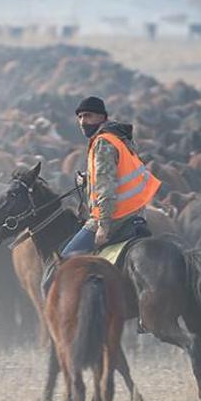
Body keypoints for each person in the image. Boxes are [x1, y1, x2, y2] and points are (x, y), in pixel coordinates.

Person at [41, 96, 161, 320]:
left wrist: (103, 225)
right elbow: (117, 175)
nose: (83, 121)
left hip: (112, 218)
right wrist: (88, 180)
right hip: (135, 213)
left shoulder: (102, 143)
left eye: (88, 116)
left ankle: (71, 320)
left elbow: (106, 187)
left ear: (102, 117)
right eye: (80, 117)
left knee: (61, 267)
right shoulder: (120, 138)